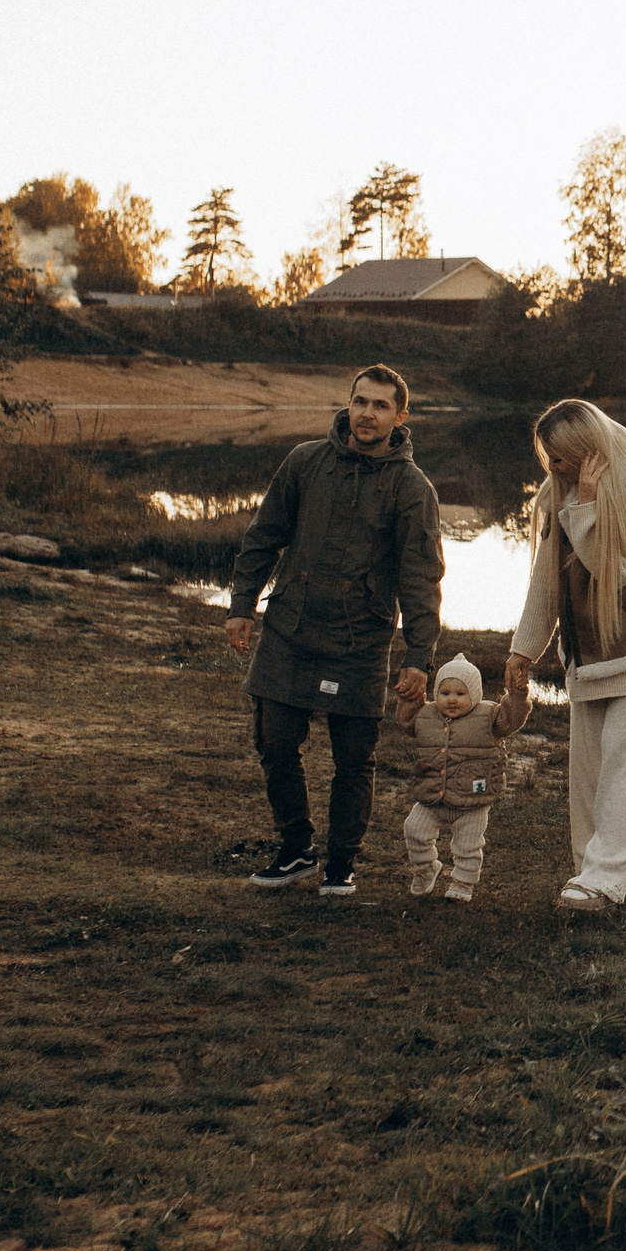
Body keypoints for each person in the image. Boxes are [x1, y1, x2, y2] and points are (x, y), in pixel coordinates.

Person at [224, 364, 444, 897]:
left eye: (381, 406)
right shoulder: (304, 461)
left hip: (359, 644)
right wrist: (241, 605)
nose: (367, 414)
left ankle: (341, 864)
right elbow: (263, 536)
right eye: (360, 402)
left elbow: (421, 576)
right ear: (348, 403)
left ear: (401, 416)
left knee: (353, 760)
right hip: (290, 631)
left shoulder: (412, 489)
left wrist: (419, 655)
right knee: (275, 744)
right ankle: (295, 849)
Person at [501, 399, 626, 912]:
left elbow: (615, 569)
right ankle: (601, 871)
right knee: (588, 775)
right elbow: (547, 580)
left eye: (562, 460)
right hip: (590, 656)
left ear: (590, 453)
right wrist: (525, 648)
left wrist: (587, 507)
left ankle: (606, 879)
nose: (553, 469)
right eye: (549, 459)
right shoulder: (560, 494)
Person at [400, 653, 526, 901]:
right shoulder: (426, 715)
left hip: (473, 797)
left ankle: (462, 884)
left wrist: (517, 697)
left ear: (475, 694)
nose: (452, 700)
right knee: (414, 829)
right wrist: (408, 699)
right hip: (432, 794)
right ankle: (427, 869)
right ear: (436, 693)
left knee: (468, 845)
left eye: (460, 693)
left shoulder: (489, 715)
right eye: (445, 693)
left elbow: (512, 720)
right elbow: (406, 723)